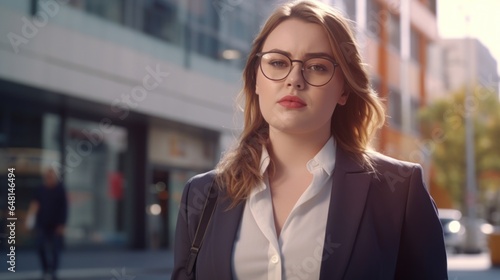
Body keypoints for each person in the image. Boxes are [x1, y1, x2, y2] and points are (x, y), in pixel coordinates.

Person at [172, 1, 448, 279]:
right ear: (255, 79)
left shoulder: (398, 191)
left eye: (317, 67)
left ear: (344, 90)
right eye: (278, 63)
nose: (294, 79)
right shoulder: (202, 194)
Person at [27, 167, 68, 280]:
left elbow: (64, 208)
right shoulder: (40, 189)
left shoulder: (60, 189)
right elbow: (35, 204)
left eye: (51, 176)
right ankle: (45, 269)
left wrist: (62, 224)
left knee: (55, 249)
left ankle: (53, 271)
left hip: (56, 225)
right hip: (43, 224)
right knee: (40, 246)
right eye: (47, 176)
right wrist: (30, 220)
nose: (49, 178)